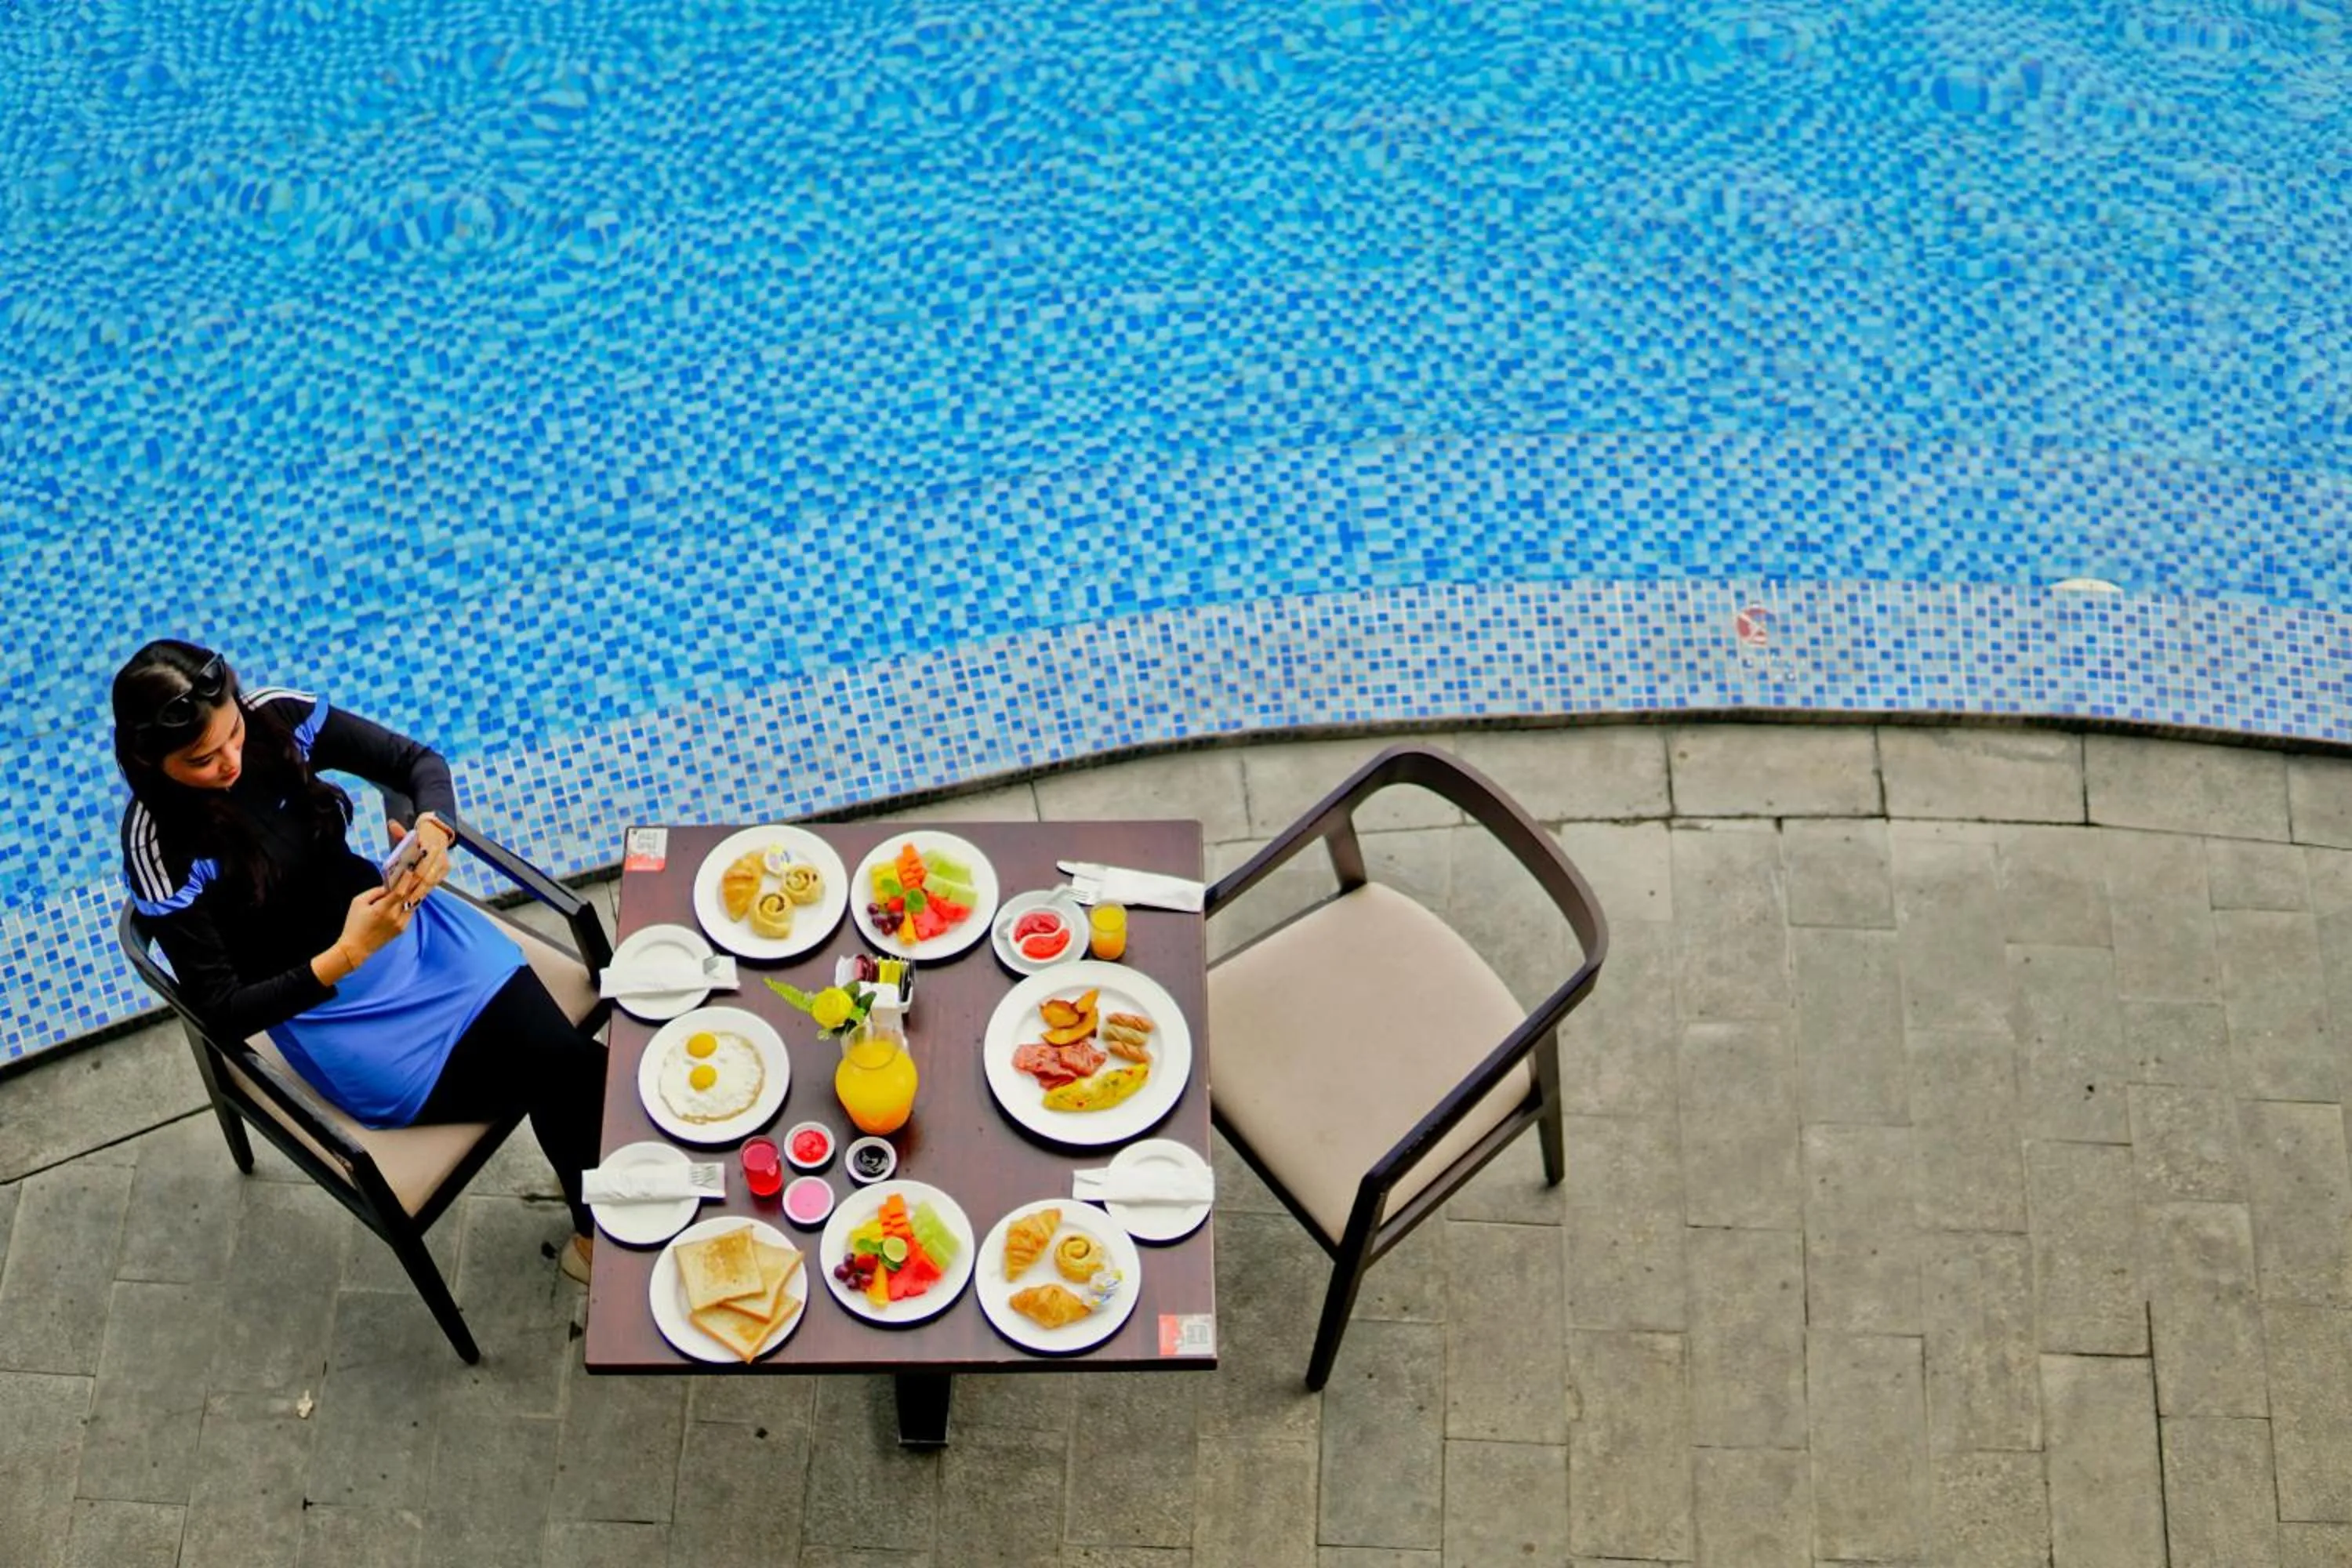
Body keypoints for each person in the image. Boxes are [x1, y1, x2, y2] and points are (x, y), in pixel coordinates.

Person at [112, 639, 604, 1282]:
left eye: (233, 733)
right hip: (332, 1010)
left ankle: (597, 1224)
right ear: (151, 762)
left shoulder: (276, 717)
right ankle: (600, 1234)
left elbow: (414, 763)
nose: (231, 760)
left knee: (574, 1072)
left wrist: (433, 827)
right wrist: (347, 955)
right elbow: (223, 1012)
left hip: (416, 936)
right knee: (580, 1074)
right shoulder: (157, 846)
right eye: (202, 759)